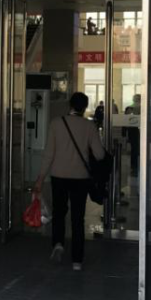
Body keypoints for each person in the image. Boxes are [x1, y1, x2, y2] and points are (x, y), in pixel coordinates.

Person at [33, 92, 106, 271]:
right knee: (77, 218)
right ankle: (77, 261)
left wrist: (40, 178)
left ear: (70, 105)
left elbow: (49, 154)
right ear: (85, 107)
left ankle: (58, 244)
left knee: (59, 212)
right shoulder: (89, 126)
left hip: (58, 176)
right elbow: (99, 155)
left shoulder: (56, 123)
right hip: (80, 178)